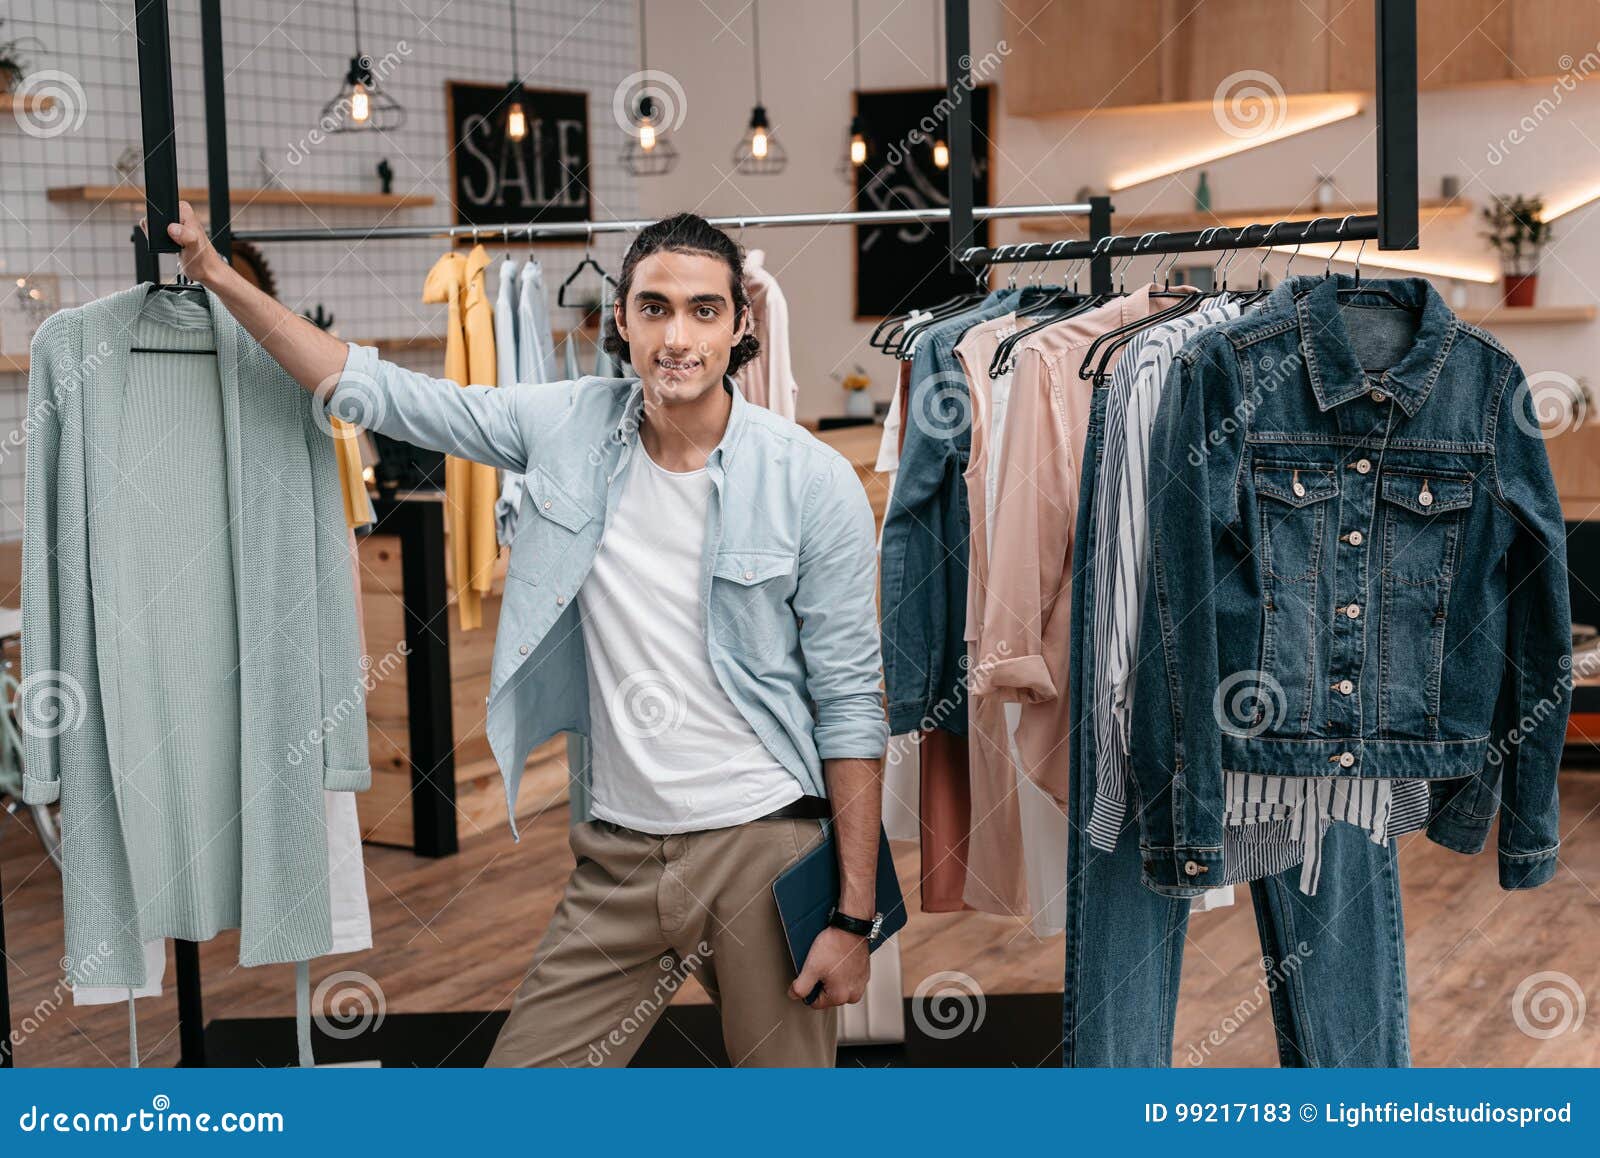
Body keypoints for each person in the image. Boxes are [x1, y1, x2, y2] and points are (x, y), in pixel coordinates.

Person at [157, 203, 889, 1067]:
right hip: (619, 850)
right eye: (654, 307)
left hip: (764, 846)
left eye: (703, 310)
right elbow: (378, 390)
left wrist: (851, 915)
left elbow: (850, 703)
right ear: (619, 320)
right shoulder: (563, 424)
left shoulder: (810, 480)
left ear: (740, 325)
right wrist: (214, 272)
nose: (678, 336)